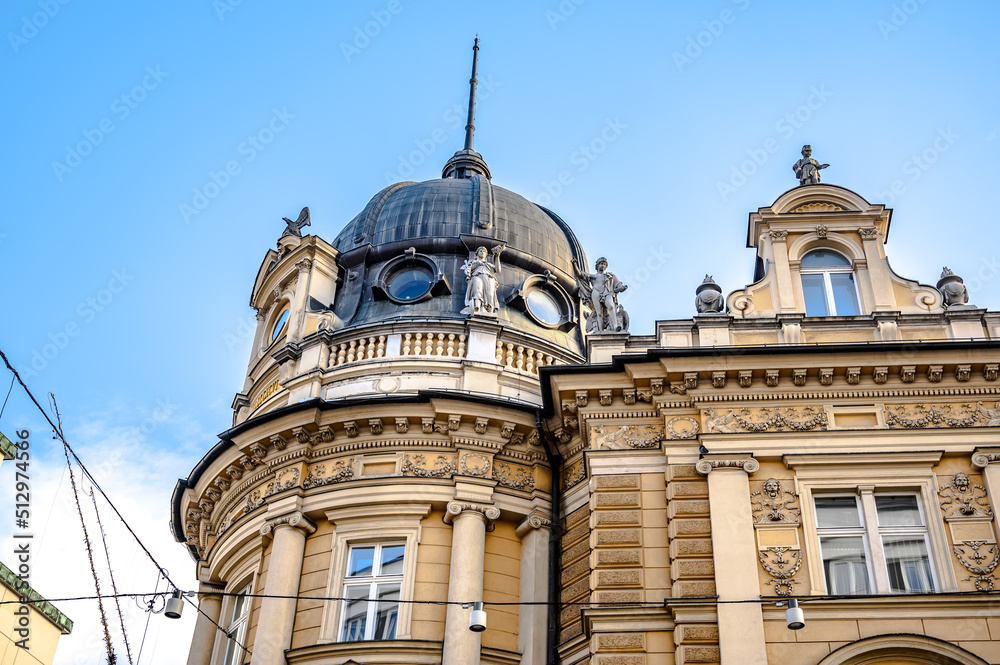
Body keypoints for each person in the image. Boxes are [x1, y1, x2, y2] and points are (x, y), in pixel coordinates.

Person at [574, 257, 628, 332]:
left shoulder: (610, 276)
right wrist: (574, 264)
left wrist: (622, 287)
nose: (602, 266)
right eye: (601, 264)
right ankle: (600, 331)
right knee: (599, 313)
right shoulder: (593, 276)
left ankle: (615, 326)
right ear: (597, 265)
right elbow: (579, 274)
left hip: (607, 293)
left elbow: (618, 284)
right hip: (596, 293)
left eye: (604, 264)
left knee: (611, 306)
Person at [462, 245, 502, 316]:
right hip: (477, 276)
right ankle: (477, 307)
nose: (482, 252)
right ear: (477, 253)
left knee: (490, 294)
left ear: (486, 255)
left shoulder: (488, 264)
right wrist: (468, 271)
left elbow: (498, 270)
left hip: (489, 277)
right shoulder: (473, 262)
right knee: (478, 290)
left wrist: (497, 256)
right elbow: (468, 270)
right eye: (481, 251)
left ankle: (489, 310)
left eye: (484, 251)